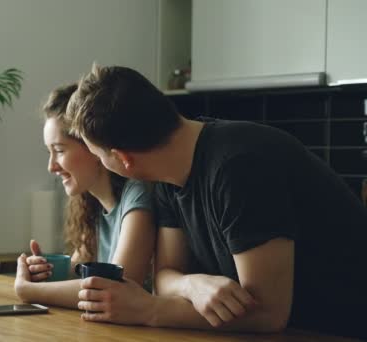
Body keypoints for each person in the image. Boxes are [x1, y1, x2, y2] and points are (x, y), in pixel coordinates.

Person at [66, 64, 367, 339]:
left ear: (122, 158)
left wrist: (147, 309)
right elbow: (166, 276)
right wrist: (192, 284)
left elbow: (268, 314)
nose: (99, 162)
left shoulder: (240, 167)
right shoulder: (167, 174)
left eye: (97, 155)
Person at [14, 83, 156, 309]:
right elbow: (77, 269)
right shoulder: (91, 203)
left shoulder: (138, 196)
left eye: (59, 151)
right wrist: (45, 270)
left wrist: (30, 290)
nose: (51, 166)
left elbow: (113, 288)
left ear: (93, 145)